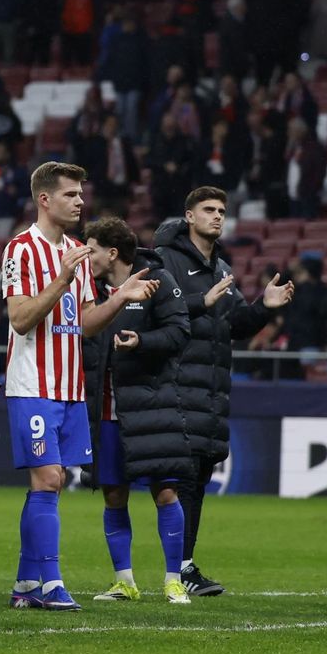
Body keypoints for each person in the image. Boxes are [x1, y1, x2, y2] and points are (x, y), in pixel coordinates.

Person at [1, 162, 156, 613]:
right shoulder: (21, 250)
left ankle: (26, 582)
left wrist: (119, 297)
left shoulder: (76, 251)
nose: (80, 202)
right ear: (45, 199)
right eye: (71, 194)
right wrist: (62, 279)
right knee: (48, 478)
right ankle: (51, 583)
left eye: (81, 194)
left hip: (70, 387)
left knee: (53, 480)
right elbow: (20, 318)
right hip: (32, 383)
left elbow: (86, 324)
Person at [152, 186, 294, 597]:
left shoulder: (220, 269)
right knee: (173, 483)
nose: (217, 216)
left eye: (222, 210)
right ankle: (163, 572)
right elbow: (160, 314)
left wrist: (264, 307)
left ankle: (184, 567)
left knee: (196, 481)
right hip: (176, 388)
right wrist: (199, 300)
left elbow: (234, 325)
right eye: (208, 210)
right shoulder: (166, 262)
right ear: (189, 216)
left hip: (211, 393)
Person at [81, 217, 193, 605]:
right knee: (114, 495)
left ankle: (173, 580)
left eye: (91, 249)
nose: (85, 255)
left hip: (151, 407)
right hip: (106, 412)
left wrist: (141, 341)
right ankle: (124, 581)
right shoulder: (88, 290)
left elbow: (180, 332)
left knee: (165, 492)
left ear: (112, 253)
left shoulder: (158, 282)